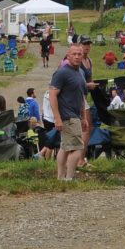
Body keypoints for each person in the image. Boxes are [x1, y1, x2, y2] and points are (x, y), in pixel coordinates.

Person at [48, 41, 90, 181]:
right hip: (68, 116)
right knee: (77, 147)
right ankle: (69, 177)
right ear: (68, 56)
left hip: (76, 115)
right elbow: (52, 95)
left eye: (80, 54)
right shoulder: (62, 72)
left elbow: (81, 98)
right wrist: (57, 118)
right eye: (74, 54)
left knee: (65, 147)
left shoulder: (80, 74)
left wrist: (83, 117)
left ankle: (61, 178)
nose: (77, 56)